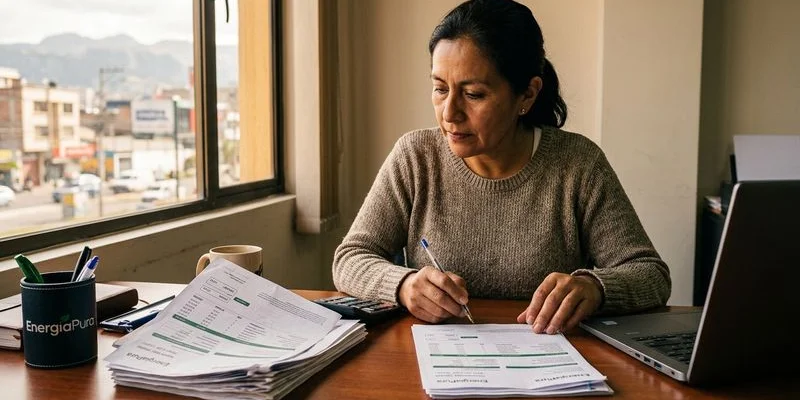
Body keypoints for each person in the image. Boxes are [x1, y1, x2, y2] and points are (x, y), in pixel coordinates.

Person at [332, 0, 670, 334]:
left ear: (527, 95)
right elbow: (350, 258)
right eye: (439, 88)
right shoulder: (415, 157)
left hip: (550, 368)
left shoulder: (577, 164)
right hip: (438, 365)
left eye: (474, 94)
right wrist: (404, 284)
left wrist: (594, 288)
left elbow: (650, 274)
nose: (449, 113)